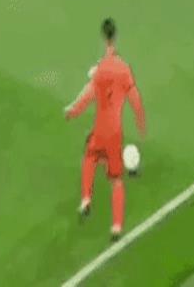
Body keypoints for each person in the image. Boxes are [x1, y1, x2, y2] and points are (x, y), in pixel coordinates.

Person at [65, 18, 145, 241]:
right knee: (116, 179)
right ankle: (116, 227)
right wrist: (140, 120)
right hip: (115, 131)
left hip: (100, 129)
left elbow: (89, 95)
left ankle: (86, 199)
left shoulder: (100, 70)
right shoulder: (123, 69)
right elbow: (135, 97)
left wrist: (73, 111)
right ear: (116, 37)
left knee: (90, 156)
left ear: (104, 38)